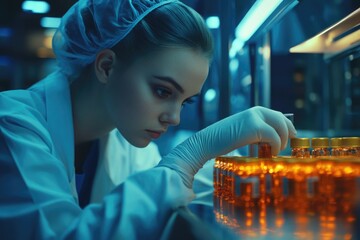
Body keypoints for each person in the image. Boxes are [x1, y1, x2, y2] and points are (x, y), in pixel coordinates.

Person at [0, 0, 297, 239]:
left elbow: (164, 191)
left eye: (185, 101)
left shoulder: (123, 140)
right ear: (106, 66)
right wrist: (192, 153)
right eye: (162, 90)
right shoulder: (12, 124)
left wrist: (251, 174)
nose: (175, 117)